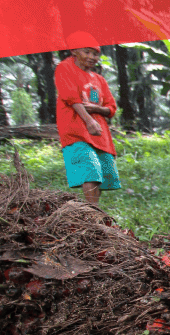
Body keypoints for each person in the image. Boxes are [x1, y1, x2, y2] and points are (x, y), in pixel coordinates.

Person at [55, 31, 120, 205]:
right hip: (76, 130)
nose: (92, 57)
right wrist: (89, 120)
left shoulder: (99, 79)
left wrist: (96, 109)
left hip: (99, 133)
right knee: (89, 169)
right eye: (87, 52)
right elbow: (71, 97)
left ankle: (94, 211)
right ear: (74, 51)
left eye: (95, 53)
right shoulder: (65, 68)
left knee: (99, 172)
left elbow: (111, 108)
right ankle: (93, 213)